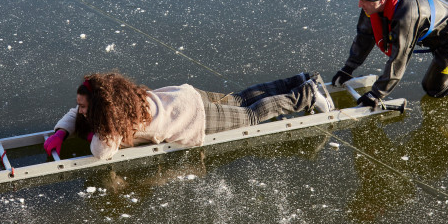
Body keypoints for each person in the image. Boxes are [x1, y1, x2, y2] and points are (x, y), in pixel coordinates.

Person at [44, 71, 334, 160]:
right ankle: (300, 80)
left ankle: (305, 96)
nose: (79, 110)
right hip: (184, 95)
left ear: (99, 108)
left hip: (194, 116)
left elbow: (102, 151)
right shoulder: (118, 102)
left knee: (251, 115)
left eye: (84, 107)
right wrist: (61, 131)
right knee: (239, 98)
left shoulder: (112, 124)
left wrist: (92, 131)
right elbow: (75, 112)